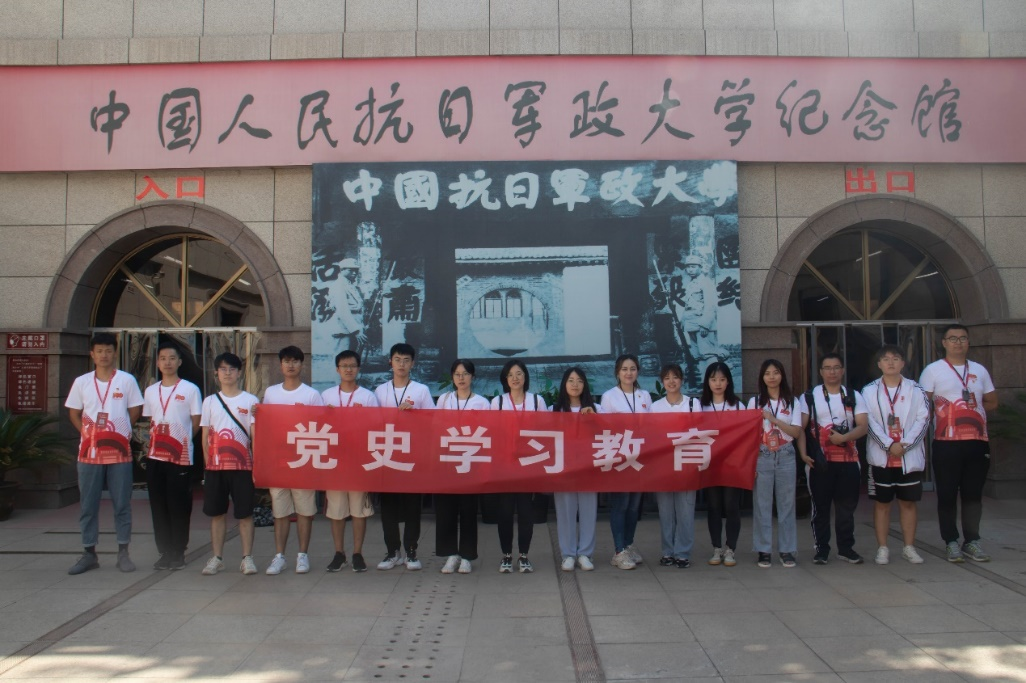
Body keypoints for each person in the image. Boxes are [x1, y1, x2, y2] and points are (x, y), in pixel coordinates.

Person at [65, 332, 144, 575]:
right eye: (99, 351)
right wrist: (88, 434)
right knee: (88, 505)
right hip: (89, 455)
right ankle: (89, 553)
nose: (104, 355)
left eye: (108, 350)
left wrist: (122, 431)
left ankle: (123, 552)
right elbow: (74, 413)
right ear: (92, 354)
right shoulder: (82, 382)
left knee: (122, 504)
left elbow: (135, 409)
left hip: (119, 454)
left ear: (115, 353)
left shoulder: (127, 380)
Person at [919, 324, 998, 562]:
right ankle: (951, 541)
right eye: (953, 338)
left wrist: (973, 411)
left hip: (977, 442)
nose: (958, 342)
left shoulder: (979, 370)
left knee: (973, 494)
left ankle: (972, 541)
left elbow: (992, 401)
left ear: (968, 342)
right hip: (946, 442)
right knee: (947, 493)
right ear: (944, 343)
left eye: (963, 338)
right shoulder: (933, 370)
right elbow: (923, 404)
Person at [799, 352, 869, 565]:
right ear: (821, 372)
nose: (832, 372)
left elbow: (863, 426)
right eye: (827, 368)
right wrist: (803, 454)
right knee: (820, 508)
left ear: (842, 370)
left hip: (849, 461)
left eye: (836, 367)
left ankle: (846, 548)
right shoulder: (810, 396)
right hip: (820, 462)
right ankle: (821, 549)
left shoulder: (854, 395)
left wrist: (844, 438)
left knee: (846, 509)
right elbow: (800, 428)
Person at [864, 345, 931, 565]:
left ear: (903, 363)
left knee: (908, 503)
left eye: (895, 358)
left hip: (907, 457)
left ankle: (909, 547)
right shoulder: (869, 391)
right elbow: (868, 422)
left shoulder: (916, 389)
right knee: (882, 504)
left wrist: (905, 444)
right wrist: (888, 444)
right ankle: (882, 548)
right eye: (886, 359)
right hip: (881, 457)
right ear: (879, 364)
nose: (890, 362)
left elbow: (923, 420)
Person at [262, 346, 324, 575]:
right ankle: (279, 556)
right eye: (287, 361)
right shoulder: (271, 393)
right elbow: (266, 425)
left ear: (302, 365)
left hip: (303, 460)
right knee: (280, 511)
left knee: (304, 510)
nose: (291, 365)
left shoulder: (311, 395)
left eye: (295, 361)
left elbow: (320, 426)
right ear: (280, 365)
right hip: (279, 460)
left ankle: (302, 555)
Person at [375, 343, 434, 571]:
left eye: (406, 360)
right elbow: (372, 423)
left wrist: (415, 414)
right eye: (397, 359)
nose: (401, 364)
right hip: (387, 454)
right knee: (388, 507)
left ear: (413, 363)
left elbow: (433, 420)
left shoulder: (421, 390)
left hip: (412, 455)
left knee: (412, 506)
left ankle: (411, 551)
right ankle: (392, 552)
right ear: (390, 362)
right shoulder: (380, 391)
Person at [142, 342, 202, 571]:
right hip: (155, 457)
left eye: (172, 358)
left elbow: (196, 422)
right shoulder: (151, 391)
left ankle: (178, 551)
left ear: (180, 362)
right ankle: (165, 551)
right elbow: (151, 421)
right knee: (158, 506)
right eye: (163, 358)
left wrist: (181, 441)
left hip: (180, 457)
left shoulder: (190, 389)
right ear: (157, 363)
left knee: (179, 505)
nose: (167, 362)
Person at [199, 352, 260, 576]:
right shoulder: (209, 401)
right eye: (223, 369)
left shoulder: (250, 401)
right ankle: (217, 557)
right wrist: (207, 465)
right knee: (217, 514)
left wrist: (257, 466)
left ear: (239, 373)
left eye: (232, 369)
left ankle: (247, 558)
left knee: (245, 514)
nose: (227, 373)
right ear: (216, 373)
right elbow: (205, 436)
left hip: (243, 466)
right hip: (215, 468)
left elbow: (255, 436)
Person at [320, 349, 378, 573]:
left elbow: (376, 427)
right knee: (336, 510)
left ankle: (357, 553)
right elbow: (317, 425)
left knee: (358, 510)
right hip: (334, 461)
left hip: (358, 461)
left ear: (358, 369)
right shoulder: (326, 396)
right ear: (337, 369)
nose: (348, 370)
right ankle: (339, 553)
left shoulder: (368, 397)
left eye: (352, 366)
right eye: (344, 366)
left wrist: (362, 417)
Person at [490, 359, 548, 573]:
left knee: (526, 512)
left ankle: (524, 555)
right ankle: (506, 555)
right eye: (511, 375)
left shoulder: (537, 401)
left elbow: (545, 430)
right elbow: (492, 432)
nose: (515, 378)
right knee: (504, 512)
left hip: (528, 464)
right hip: (505, 465)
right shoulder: (497, 402)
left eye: (519, 374)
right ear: (505, 379)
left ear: (525, 377)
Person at [434, 359, 490, 575]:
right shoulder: (444, 400)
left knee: (468, 511)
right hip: (447, 461)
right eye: (457, 374)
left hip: (470, 461)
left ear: (472, 377)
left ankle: (467, 556)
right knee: (446, 510)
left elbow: (487, 431)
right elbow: (436, 426)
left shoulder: (481, 403)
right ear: (452, 377)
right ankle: (451, 554)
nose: (461, 378)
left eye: (465, 374)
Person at [748, 359, 803, 568]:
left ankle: (787, 550)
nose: (772, 377)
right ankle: (763, 550)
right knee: (762, 505)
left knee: (787, 505)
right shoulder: (754, 402)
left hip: (786, 454)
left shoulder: (793, 402)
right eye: (767, 373)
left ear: (782, 375)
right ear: (762, 377)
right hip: (762, 455)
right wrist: (751, 463)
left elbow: (796, 432)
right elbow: (750, 436)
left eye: (776, 372)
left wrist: (774, 420)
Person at [600, 353, 651, 570]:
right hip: (619, 457)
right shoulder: (609, 396)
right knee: (620, 504)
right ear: (617, 372)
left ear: (637, 371)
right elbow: (605, 428)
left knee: (633, 506)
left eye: (632, 369)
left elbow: (652, 426)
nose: (628, 373)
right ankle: (618, 551)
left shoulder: (644, 395)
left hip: (640, 457)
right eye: (624, 369)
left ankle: (629, 545)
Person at [552, 367, 600, 572]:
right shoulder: (554, 410)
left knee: (589, 511)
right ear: (564, 384)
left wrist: (594, 419)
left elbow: (606, 434)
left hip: (589, 469)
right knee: (565, 512)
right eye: (571, 380)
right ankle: (568, 554)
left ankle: (585, 553)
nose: (575, 384)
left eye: (579, 381)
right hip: (564, 469)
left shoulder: (596, 408)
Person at [650, 363, 698, 569]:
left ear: (682, 380)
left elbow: (699, 432)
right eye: (667, 378)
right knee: (666, 512)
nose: (671, 381)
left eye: (675, 377)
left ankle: (683, 553)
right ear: (662, 382)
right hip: (664, 465)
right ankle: (667, 552)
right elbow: (651, 436)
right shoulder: (655, 407)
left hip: (687, 463)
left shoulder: (693, 404)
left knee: (686, 510)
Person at [700, 361, 745, 567]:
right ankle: (716, 547)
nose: (717, 383)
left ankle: (730, 548)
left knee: (731, 506)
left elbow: (745, 436)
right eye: (713, 379)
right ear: (707, 382)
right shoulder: (700, 406)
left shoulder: (738, 405)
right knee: (714, 506)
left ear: (728, 382)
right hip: (709, 464)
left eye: (722, 379)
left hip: (732, 464)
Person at [671, 252, 721, 362]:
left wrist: (705, 325)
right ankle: (703, 373)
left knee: (708, 353)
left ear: (700, 267)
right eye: (688, 267)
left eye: (693, 267)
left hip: (702, 324)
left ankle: (713, 372)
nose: (690, 270)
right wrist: (683, 320)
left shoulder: (706, 283)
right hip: (691, 324)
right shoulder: (691, 284)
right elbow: (688, 305)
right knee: (697, 355)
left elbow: (710, 306)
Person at [329, 258, 367, 353]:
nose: (354, 273)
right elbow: (342, 311)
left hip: (353, 328)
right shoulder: (339, 285)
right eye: (351, 270)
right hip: (344, 330)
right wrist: (356, 331)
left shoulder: (350, 285)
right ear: (342, 270)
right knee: (342, 357)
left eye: (356, 270)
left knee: (352, 358)